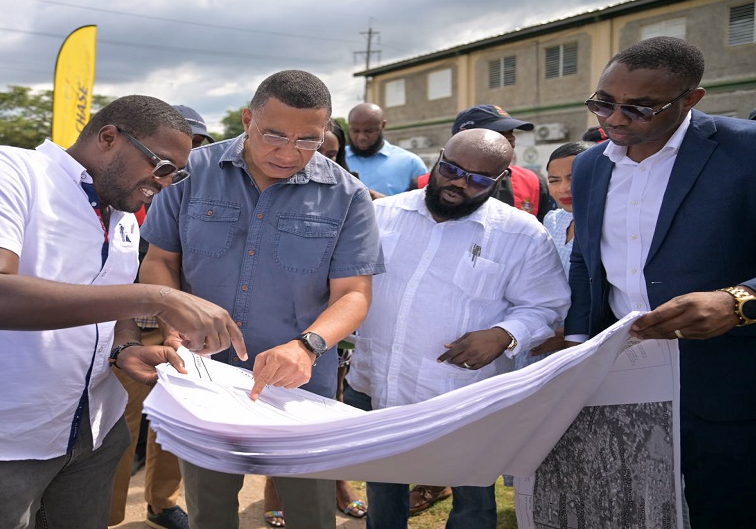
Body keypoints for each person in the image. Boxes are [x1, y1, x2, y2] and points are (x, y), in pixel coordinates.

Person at [0, 95, 247, 529]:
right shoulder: (2, 170)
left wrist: (124, 346)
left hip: (92, 429)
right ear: (109, 138)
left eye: (176, 174)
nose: (166, 183)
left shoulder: (122, 212)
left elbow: (108, 297)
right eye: (161, 166)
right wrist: (158, 298)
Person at [141, 70, 384, 529]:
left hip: (300, 388)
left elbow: (354, 294)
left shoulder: (348, 196)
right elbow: (158, 260)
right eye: (274, 135)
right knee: (210, 510)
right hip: (204, 377)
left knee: (310, 513)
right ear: (247, 118)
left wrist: (307, 345)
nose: (289, 152)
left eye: (309, 140)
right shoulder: (191, 172)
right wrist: (170, 312)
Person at [566, 36, 756, 527]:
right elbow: (585, 261)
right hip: (622, 377)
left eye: (639, 108)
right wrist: (574, 342)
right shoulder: (591, 165)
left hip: (729, 385)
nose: (613, 119)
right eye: (603, 103)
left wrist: (742, 300)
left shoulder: (752, 150)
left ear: (691, 100)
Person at [345, 128, 569, 529]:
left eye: (479, 180)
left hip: (463, 397)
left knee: (472, 497)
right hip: (378, 381)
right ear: (438, 159)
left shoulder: (522, 234)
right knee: (383, 485)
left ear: (500, 180)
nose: (459, 184)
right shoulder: (383, 215)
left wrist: (505, 335)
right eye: (451, 169)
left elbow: (546, 306)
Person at [110, 104, 214, 529]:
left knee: (173, 426)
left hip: (183, 335)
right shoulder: (125, 193)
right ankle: (108, 511)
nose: (177, 165)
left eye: (195, 148)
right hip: (133, 328)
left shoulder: (206, 198)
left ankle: (162, 501)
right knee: (119, 426)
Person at [261, 116, 368, 527]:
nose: (315, 159)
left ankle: (338, 485)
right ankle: (274, 490)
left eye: (329, 152)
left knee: (320, 423)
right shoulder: (273, 189)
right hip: (264, 330)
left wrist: (314, 340)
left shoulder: (348, 195)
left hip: (324, 337)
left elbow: (354, 286)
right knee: (272, 424)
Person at [512, 142, 588, 370]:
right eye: (554, 180)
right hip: (538, 338)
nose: (564, 189)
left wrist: (570, 334)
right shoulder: (554, 220)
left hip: (581, 345)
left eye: (573, 178)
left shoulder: (613, 227)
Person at [420, 105, 554, 222]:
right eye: (498, 133)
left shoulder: (533, 183)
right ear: (463, 136)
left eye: (510, 133)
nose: (511, 139)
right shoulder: (421, 186)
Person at [345, 102, 428, 197]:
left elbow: (423, 205)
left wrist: (385, 203)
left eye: (369, 131)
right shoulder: (334, 159)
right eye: (355, 131)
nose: (361, 137)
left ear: (383, 125)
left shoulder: (411, 163)